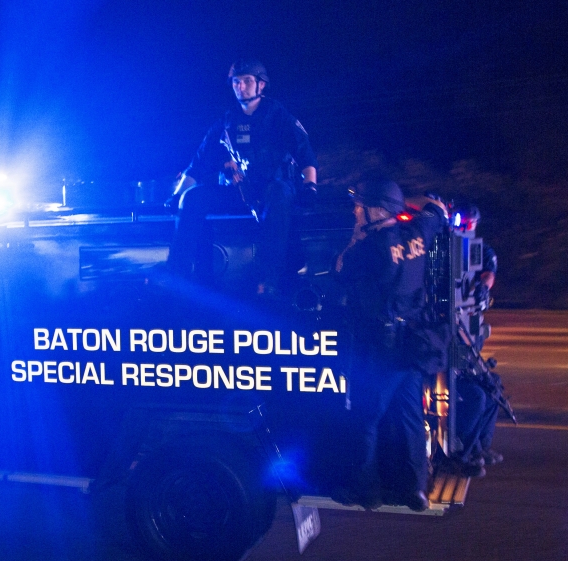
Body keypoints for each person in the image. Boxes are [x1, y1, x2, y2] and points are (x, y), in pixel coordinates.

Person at [334, 180, 449, 511]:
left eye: (361, 206)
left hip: (379, 350)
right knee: (409, 416)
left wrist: (355, 235)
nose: (356, 211)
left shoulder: (366, 250)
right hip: (411, 345)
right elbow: (436, 208)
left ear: (378, 210)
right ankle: (415, 490)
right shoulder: (419, 232)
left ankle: (364, 490)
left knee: (366, 417)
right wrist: (407, 207)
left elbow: (338, 268)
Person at [167, 59, 318, 292]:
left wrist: (310, 186)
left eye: (247, 81)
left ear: (261, 85)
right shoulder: (227, 121)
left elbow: (306, 154)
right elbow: (198, 164)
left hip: (274, 192)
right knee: (193, 198)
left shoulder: (278, 116)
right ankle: (178, 275)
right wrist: (178, 196)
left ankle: (268, 281)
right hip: (240, 192)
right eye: (237, 82)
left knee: (278, 192)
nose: (241, 86)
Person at [452, 204, 503, 475]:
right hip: (452, 337)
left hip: (469, 332)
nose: (465, 227)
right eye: (462, 222)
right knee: (475, 397)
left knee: (493, 386)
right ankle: (463, 450)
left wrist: (483, 287)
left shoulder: (478, 251)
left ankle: (481, 446)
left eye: (470, 223)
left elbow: (489, 272)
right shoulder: (443, 249)